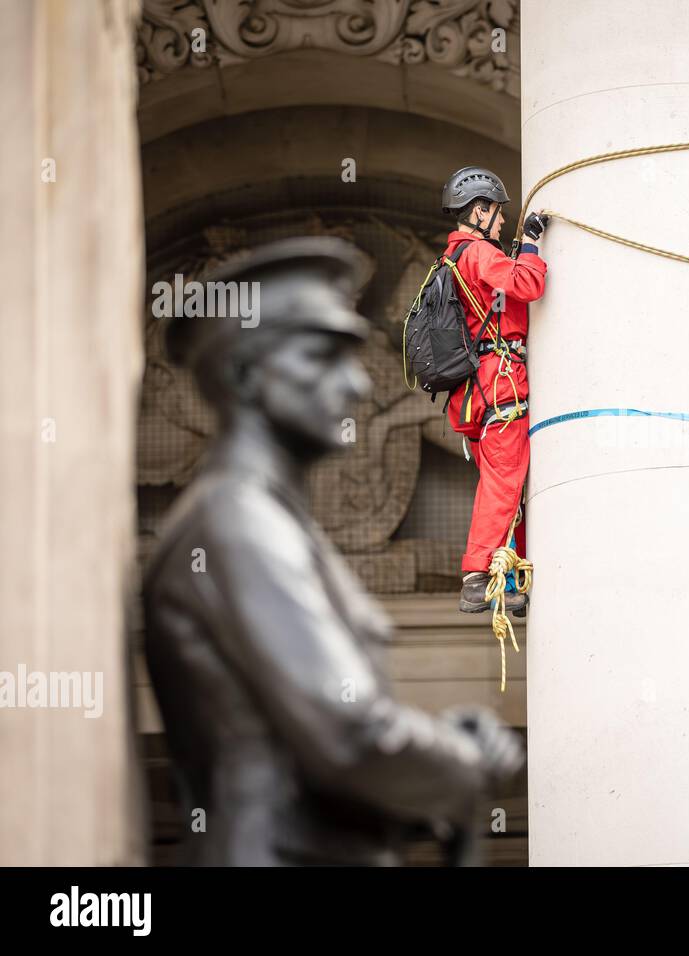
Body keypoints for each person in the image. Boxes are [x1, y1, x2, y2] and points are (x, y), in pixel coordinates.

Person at [144, 236, 523, 865]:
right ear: (245, 376)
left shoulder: (269, 522)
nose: (354, 385)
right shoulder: (237, 522)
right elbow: (351, 736)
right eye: (322, 358)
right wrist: (465, 762)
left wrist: (439, 749)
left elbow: (320, 770)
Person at [438, 166, 549, 616]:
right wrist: (530, 244)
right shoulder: (478, 252)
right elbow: (527, 284)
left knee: (507, 481)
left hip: (480, 390)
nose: (501, 221)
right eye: (497, 213)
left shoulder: (456, 257)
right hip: (500, 380)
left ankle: (506, 577)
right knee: (504, 480)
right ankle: (477, 574)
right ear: (479, 211)